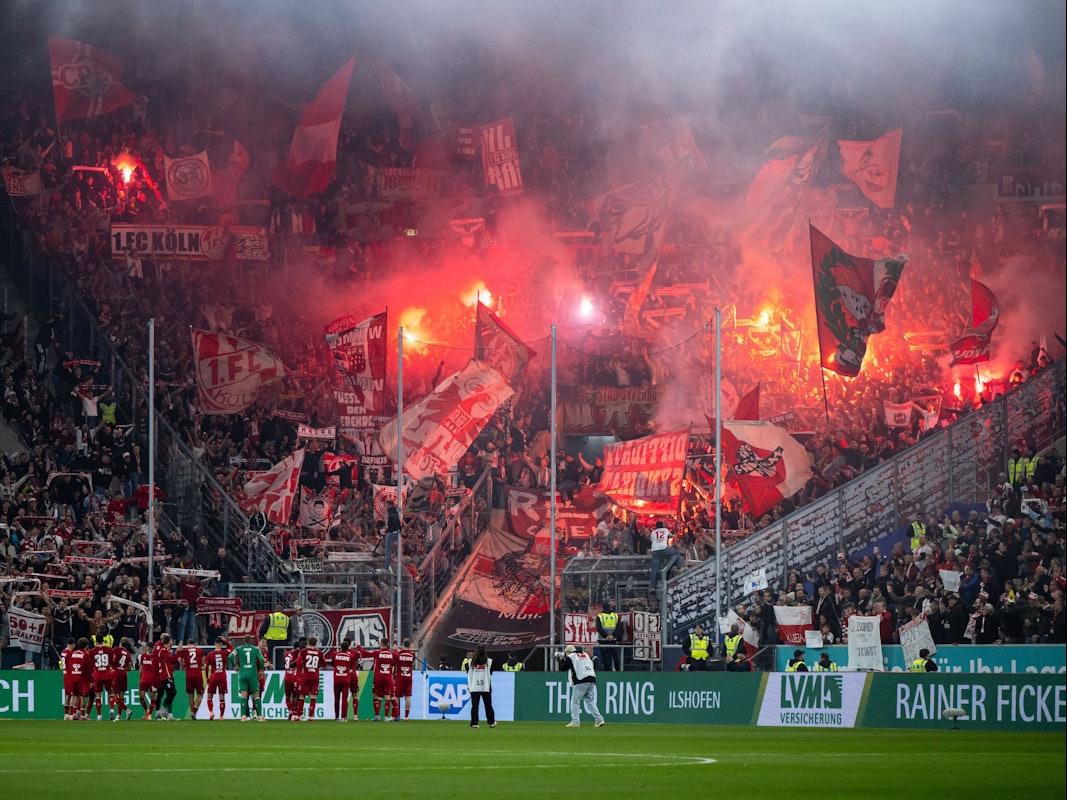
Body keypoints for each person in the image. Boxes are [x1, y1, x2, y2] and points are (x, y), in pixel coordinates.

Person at [559, 645, 605, 728]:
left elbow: (563, 668)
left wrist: (561, 660)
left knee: (575, 701)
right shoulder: (585, 654)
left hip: (581, 680)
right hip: (591, 678)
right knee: (590, 701)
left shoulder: (571, 656)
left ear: (568, 652)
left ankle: (575, 721)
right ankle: (599, 719)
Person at [228, 634, 266, 721]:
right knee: (256, 696)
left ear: (243, 641)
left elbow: (230, 656)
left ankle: (243, 716)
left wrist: (235, 665)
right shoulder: (255, 649)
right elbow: (262, 659)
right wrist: (261, 670)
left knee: (243, 696)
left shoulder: (239, 648)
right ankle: (259, 716)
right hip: (252, 675)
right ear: (251, 641)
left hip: (243, 674)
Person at [648, 518, 682, 594]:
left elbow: (651, 540)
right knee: (676, 552)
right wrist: (674, 529)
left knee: (654, 570)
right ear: (662, 526)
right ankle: (679, 567)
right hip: (664, 549)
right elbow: (671, 535)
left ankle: (652, 587)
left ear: (656, 527)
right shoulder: (665, 530)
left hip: (655, 551)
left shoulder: (653, 532)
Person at [466, 644, 496, 728]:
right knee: (488, 705)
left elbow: (468, 672)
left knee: (474, 706)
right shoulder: (489, 661)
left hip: (474, 686)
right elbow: (491, 672)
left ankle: (474, 723)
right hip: (486, 686)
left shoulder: (470, 662)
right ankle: (491, 722)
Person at [329, 638, 359, 722]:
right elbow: (354, 665)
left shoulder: (335, 654)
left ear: (341, 647)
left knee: (337, 698)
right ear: (349, 645)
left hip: (337, 678)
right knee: (349, 697)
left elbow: (333, 664)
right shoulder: (352, 655)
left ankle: (337, 716)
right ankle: (347, 716)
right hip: (348, 677)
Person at [297, 635, 326, 720]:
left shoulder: (303, 651)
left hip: (306, 676)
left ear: (308, 643)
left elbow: (299, 663)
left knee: (302, 696)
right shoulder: (319, 653)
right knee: (313, 696)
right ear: (316, 644)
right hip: (315, 676)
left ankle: (298, 716)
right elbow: (324, 664)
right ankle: (310, 716)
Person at [204, 636, 232, 720]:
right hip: (222, 676)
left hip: (214, 676)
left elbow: (206, 667)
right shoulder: (224, 653)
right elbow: (231, 648)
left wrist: (207, 677)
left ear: (215, 644)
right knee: (221, 697)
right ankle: (221, 716)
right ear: (221, 644)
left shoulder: (210, 654)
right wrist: (225, 641)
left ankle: (211, 712)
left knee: (209, 696)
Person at [177, 638, 206, 720]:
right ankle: (194, 712)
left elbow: (182, 664)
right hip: (198, 674)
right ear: (195, 644)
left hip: (189, 674)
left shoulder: (185, 651)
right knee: (200, 695)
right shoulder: (200, 650)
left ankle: (192, 713)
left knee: (190, 696)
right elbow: (203, 662)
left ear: (188, 644)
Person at [371, 637, 397, 721]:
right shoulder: (392, 654)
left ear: (381, 644)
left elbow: (365, 653)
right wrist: (396, 650)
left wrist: (359, 647)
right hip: (388, 677)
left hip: (378, 678)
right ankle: (386, 717)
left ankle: (377, 716)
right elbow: (397, 657)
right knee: (388, 697)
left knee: (376, 696)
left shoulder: (377, 653)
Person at [153, 633, 178, 720]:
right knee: (166, 693)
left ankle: (168, 713)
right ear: (169, 641)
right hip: (164, 675)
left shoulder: (164, 649)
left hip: (167, 674)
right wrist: (178, 652)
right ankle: (161, 711)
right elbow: (172, 660)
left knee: (171, 693)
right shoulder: (162, 650)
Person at [111, 637, 135, 721]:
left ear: (120, 642)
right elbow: (129, 667)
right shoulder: (127, 653)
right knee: (121, 696)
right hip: (124, 673)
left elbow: (112, 660)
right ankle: (118, 716)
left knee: (114, 695)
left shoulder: (115, 650)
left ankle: (127, 709)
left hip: (116, 672)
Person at [393, 638, 417, 721]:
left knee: (396, 696)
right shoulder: (412, 655)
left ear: (402, 644)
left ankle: (396, 715)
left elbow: (395, 659)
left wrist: (396, 650)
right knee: (408, 697)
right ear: (409, 645)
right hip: (408, 677)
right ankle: (406, 717)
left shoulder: (399, 654)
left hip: (400, 677)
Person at [595, 601, 622, 671]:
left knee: (605, 658)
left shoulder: (599, 616)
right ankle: (618, 672)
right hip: (613, 640)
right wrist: (613, 636)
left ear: (602, 608)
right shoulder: (615, 616)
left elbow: (599, 628)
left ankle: (607, 673)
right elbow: (619, 627)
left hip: (603, 641)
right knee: (616, 657)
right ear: (610, 607)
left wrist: (606, 636)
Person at [284, 637, 306, 721]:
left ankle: (291, 711)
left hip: (287, 676)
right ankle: (296, 712)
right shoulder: (298, 653)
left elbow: (286, 664)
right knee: (296, 695)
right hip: (295, 676)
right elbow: (294, 664)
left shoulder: (287, 654)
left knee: (288, 695)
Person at [137, 641, 158, 721]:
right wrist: (139, 679)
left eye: (152, 648)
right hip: (144, 680)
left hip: (152, 680)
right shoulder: (143, 656)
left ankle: (149, 714)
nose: (150, 649)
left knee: (153, 696)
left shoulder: (155, 657)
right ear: (147, 648)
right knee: (141, 697)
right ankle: (146, 710)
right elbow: (141, 668)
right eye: (149, 648)